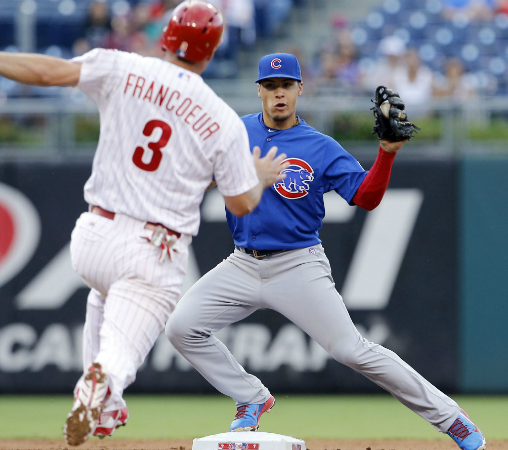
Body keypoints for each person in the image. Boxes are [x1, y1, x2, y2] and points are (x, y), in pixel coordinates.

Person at [0, 1, 289, 447]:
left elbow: (44, 72)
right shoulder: (222, 120)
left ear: (166, 38)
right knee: (119, 355)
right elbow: (241, 202)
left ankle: (106, 405)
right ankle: (102, 386)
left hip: (94, 237)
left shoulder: (122, 68)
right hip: (153, 251)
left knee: (104, 294)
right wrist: (261, 178)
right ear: (211, 53)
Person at [165, 53, 486, 450]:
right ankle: (250, 396)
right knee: (181, 327)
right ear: (259, 90)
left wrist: (386, 153)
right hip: (242, 263)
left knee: (352, 350)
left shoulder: (320, 146)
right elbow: (196, 179)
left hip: (298, 264)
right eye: (270, 86)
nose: (278, 94)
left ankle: (452, 419)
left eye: (285, 86)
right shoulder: (234, 132)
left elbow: (365, 198)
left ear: (300, 89)